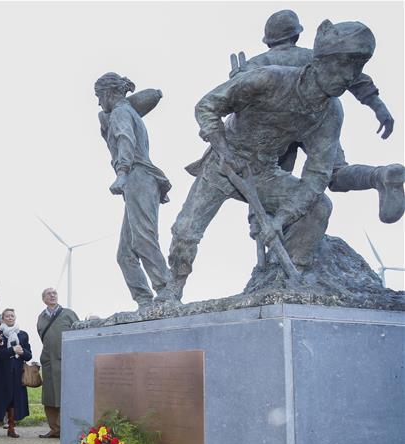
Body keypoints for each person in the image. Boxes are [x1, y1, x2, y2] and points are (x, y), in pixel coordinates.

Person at [165, 21, 380, 301]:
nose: (350, 76)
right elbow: (207, 106)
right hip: (222, 165)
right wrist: (222, 146)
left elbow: (317, 175)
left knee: (319, 207)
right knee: (186, 230)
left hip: (264, 173)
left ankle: (282, 278)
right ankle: (172, 289)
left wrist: (280, 219)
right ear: (319, 60)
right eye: (343, 65)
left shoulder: (330, 114)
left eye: (357, 67)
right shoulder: (267, 79)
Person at [229, 10, 403, 224]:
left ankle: (270, 228)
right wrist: (379, 107)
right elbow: (357, 79)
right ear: (296, 35)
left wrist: (237, 78)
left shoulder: (258, 63)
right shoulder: (318, 56)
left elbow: (235, 98)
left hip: (278, 129)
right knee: (335, 173)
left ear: (269, 40)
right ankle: (379, 176)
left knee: (271, 181)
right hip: (322, 119)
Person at [95, 72, 173, 310]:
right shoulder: (124, 111)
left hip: (137, 175)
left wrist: (122, 172)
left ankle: (168, 290)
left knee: (143, 239)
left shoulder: (120, 112)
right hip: (138, 179)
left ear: (109, 93)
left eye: (98, 96)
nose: (98, 102)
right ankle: (144, 301)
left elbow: (125, 140)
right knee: (125, 253)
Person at [36, 288, 79, 439]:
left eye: (55, 293)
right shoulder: (41, 317)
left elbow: (78, 334)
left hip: (66, 361)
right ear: (44, 299)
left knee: (66, 395)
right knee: (49, 396)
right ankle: (54, 429)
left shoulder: (68, 314)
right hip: (48, 361)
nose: (53, 295)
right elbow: (43, 338)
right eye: (49, 293)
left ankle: (67, 428)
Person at [0, 308, 32, 438]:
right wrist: (12, 350)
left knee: (14, 401)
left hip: (17, 372)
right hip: (1, 372)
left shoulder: (23, 335)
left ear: (15, 318)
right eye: (7, 316)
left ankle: (11, 427)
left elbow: (28, 355)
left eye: (12, 315)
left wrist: (22, 352)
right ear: (3, 319)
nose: (10, 318)